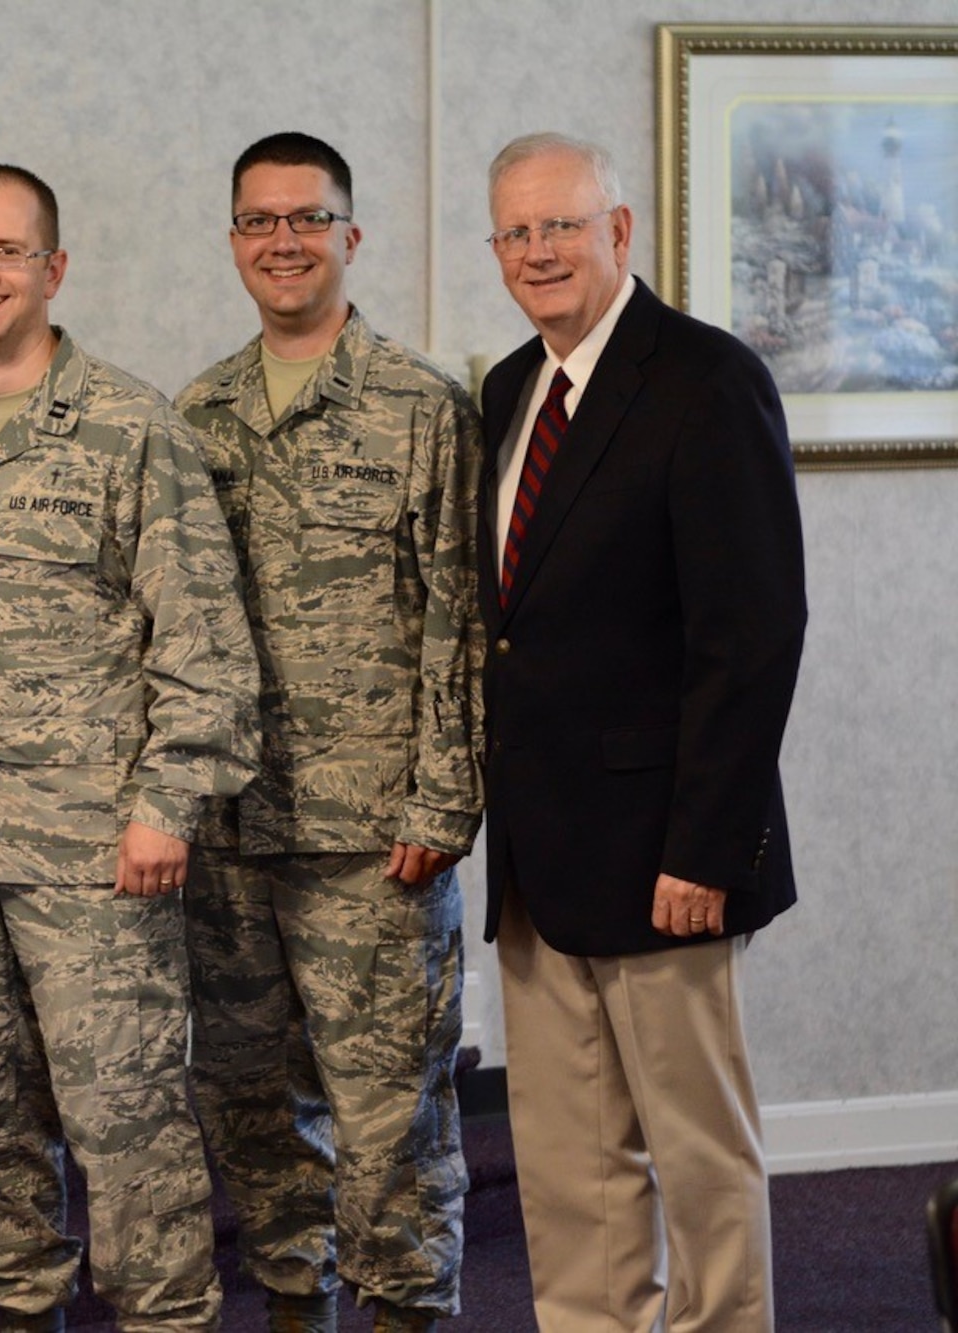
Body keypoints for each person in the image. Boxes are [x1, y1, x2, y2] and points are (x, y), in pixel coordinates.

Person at [0, 162, 261, 1333]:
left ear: (54, 269)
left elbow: (203, 638)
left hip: (95, 855)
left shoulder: (126, 423)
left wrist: (169, 801)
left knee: (127, 1129)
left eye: (8, 251)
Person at [478, 132, 806, 1332]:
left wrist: (704, 849)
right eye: (515, 233)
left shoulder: (705, 381)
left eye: (560, 225)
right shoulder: (509, 389)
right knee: (568, 1167)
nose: (537, 252)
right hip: (538, 854)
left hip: (665, 853)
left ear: (620, 232)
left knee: (697, 1160)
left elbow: (752, 633)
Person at [174, 133, 485, 1333]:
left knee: (388, 1117)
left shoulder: (420, 409)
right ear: (234, 242)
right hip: (228, 832)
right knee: (250, 1103)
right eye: (259, 221)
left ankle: (404, 1313)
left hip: (373, 836)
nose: (283, 241)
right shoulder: (194, 414)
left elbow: (460, 618)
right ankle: (296, 1311)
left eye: (307, 219)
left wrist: (441, 802)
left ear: (349, 238)